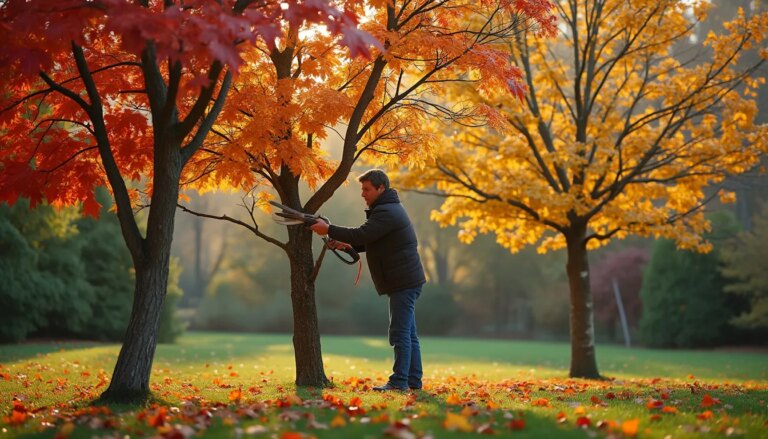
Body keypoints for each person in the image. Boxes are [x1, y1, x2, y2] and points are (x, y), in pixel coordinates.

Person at [309, 169, 426, 391]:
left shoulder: (387, 212)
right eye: (362, 189)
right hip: (406, 279)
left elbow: (363, 234)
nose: (363, 194)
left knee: (400, 333)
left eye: (367, 189)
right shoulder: (386, 209)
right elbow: (371, 240)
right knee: (408, 334)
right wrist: (346, 245)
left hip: (403, 281)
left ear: (381, 188)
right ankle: (413, 381)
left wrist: (329, 229)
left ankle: (399, 382)